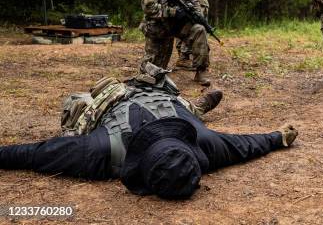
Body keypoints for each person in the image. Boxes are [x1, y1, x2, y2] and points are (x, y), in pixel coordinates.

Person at [0, 65, 298, 200]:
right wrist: (277, 137)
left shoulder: (101, 152)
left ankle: (195, 109)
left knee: (76, 105)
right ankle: (195, 108)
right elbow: (244, 144)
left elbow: (37, 153)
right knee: (162, 81)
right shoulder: (206, 144)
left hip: (113, 100)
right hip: (165, 100)